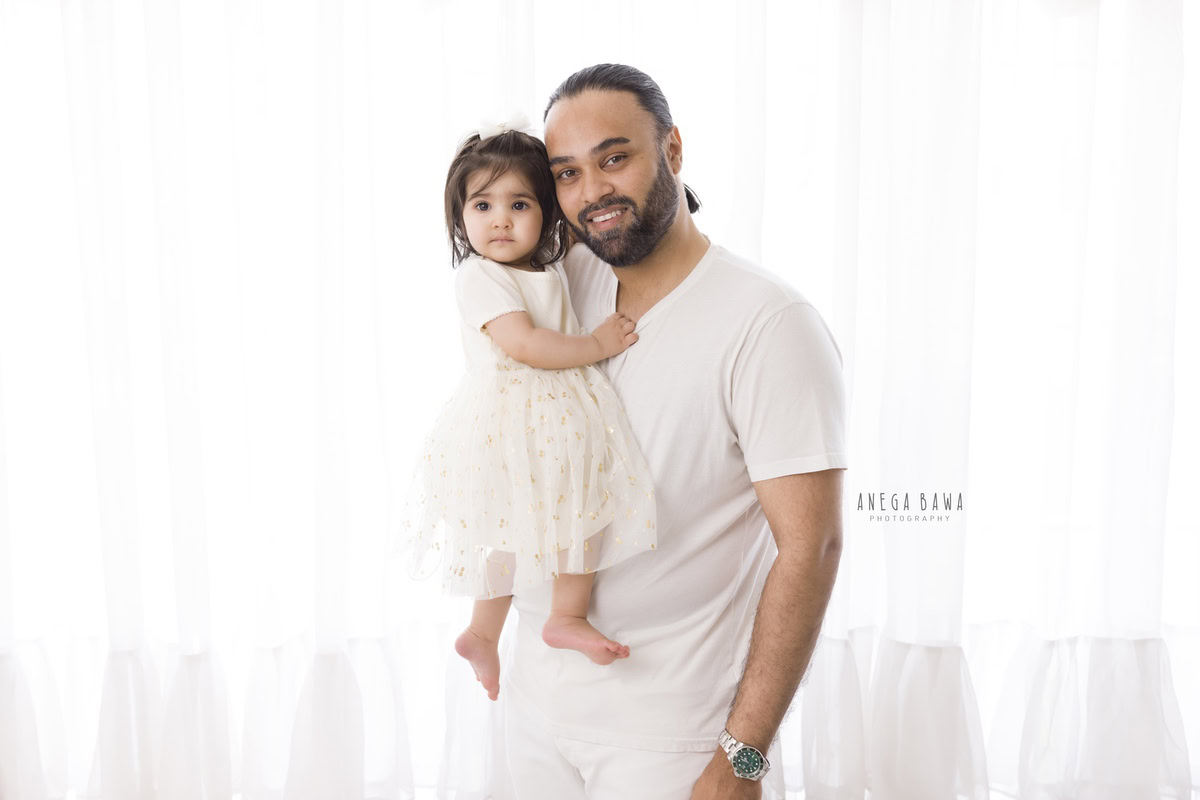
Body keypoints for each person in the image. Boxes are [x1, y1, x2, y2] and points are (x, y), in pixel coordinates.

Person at [498, 65, 848, 799]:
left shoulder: (768, 323)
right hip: (532, 708)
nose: (591, 191)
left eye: (614, 158)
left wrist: (741, 757)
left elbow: (811, 547)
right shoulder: (562, 284)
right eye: (567, 172)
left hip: (672, 738)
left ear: (674, 151)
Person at [389, 118, 659, 702]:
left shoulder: (545, 268)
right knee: (531, 524)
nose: (501, 220)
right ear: (460, 217)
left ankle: (522, 624)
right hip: (517, 418)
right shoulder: (479, 276)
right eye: (482, 205)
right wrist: (596, 346)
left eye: (519, 204)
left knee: (570, 515)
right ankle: (507, 625)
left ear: (547, 215)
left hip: (550, 417)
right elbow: (526, 344)